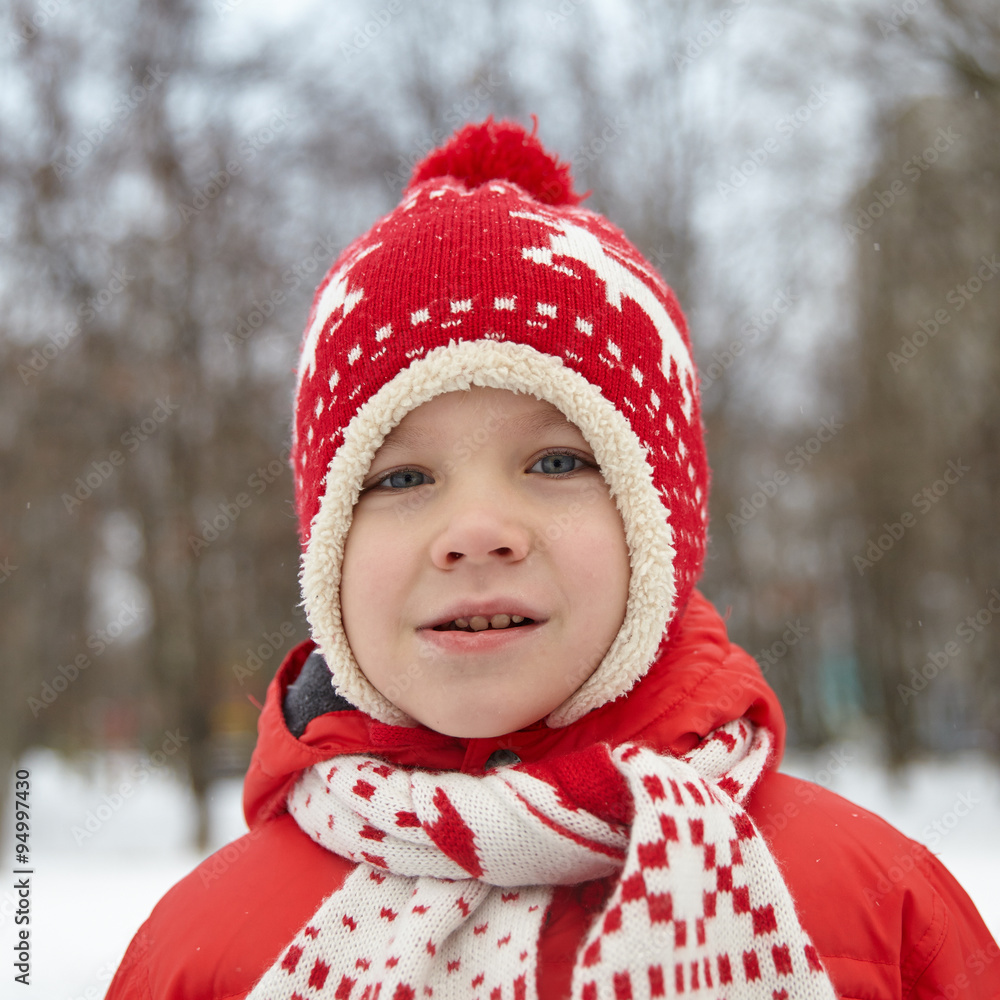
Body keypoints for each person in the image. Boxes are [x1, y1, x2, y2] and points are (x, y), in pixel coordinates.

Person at [106, 118, 1000, 1000]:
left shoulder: (881, 916)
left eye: (557, 463)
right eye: (403, 477)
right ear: (328, 550)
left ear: (659, 529)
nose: (475, 529)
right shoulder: (203, 956)